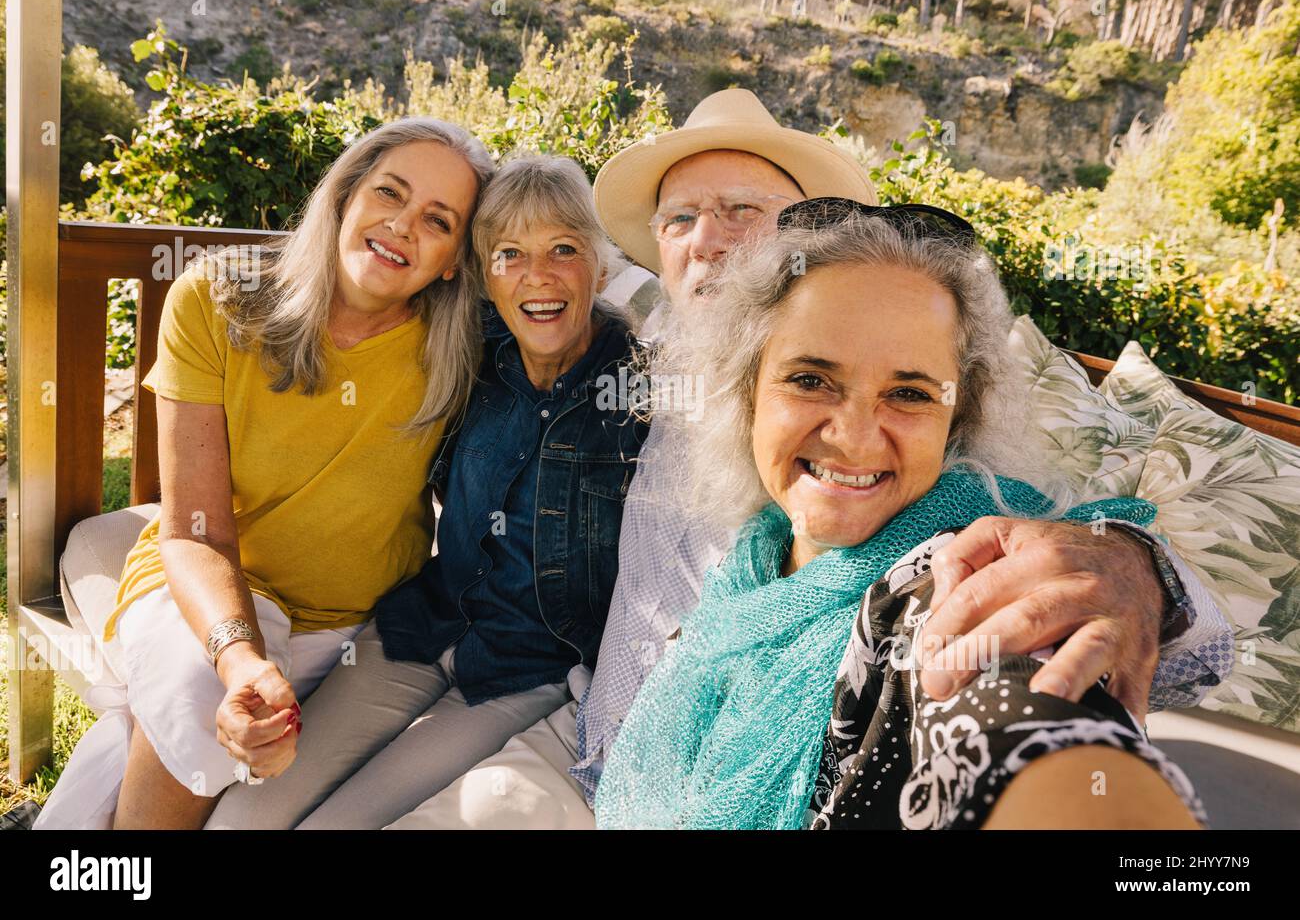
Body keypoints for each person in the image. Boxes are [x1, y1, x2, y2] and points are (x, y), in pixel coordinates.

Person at [402, 89, 1231, 830]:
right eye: (680, 218)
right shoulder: (634, 352)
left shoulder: (922, 516)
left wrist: (1133, 565)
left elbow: (1025, 635)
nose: (708, 241)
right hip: (596, 743)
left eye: (742, 210)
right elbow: (523, 280)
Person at [595, 198, 1207, 829]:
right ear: (747, 388)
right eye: (810, 379)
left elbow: (1021, 724)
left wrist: (1136, 564)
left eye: (909, 393)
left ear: (958, 418)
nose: (855, 438)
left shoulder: (951, 580)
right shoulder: (754, 558)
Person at [34, 118, 495, 830]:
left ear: (454, 262)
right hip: (209, 590)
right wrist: (239, 658)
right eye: (388, 193)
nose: (401, 225)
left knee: (148, 739)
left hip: (352, 628)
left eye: (437, 220)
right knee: (192, 697)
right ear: (344, 195)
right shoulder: (217, 300)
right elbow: (195, 530)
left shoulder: (461, 347)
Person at [204, 155, 648, 829]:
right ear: (482, 276)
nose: (538, 275)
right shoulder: (473, 346)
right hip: (419, 626)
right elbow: (361, 290)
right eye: (509, 254)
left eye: (564, 249)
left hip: (523, 668)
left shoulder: (639, 388)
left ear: (600, 264)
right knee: (245, 817)